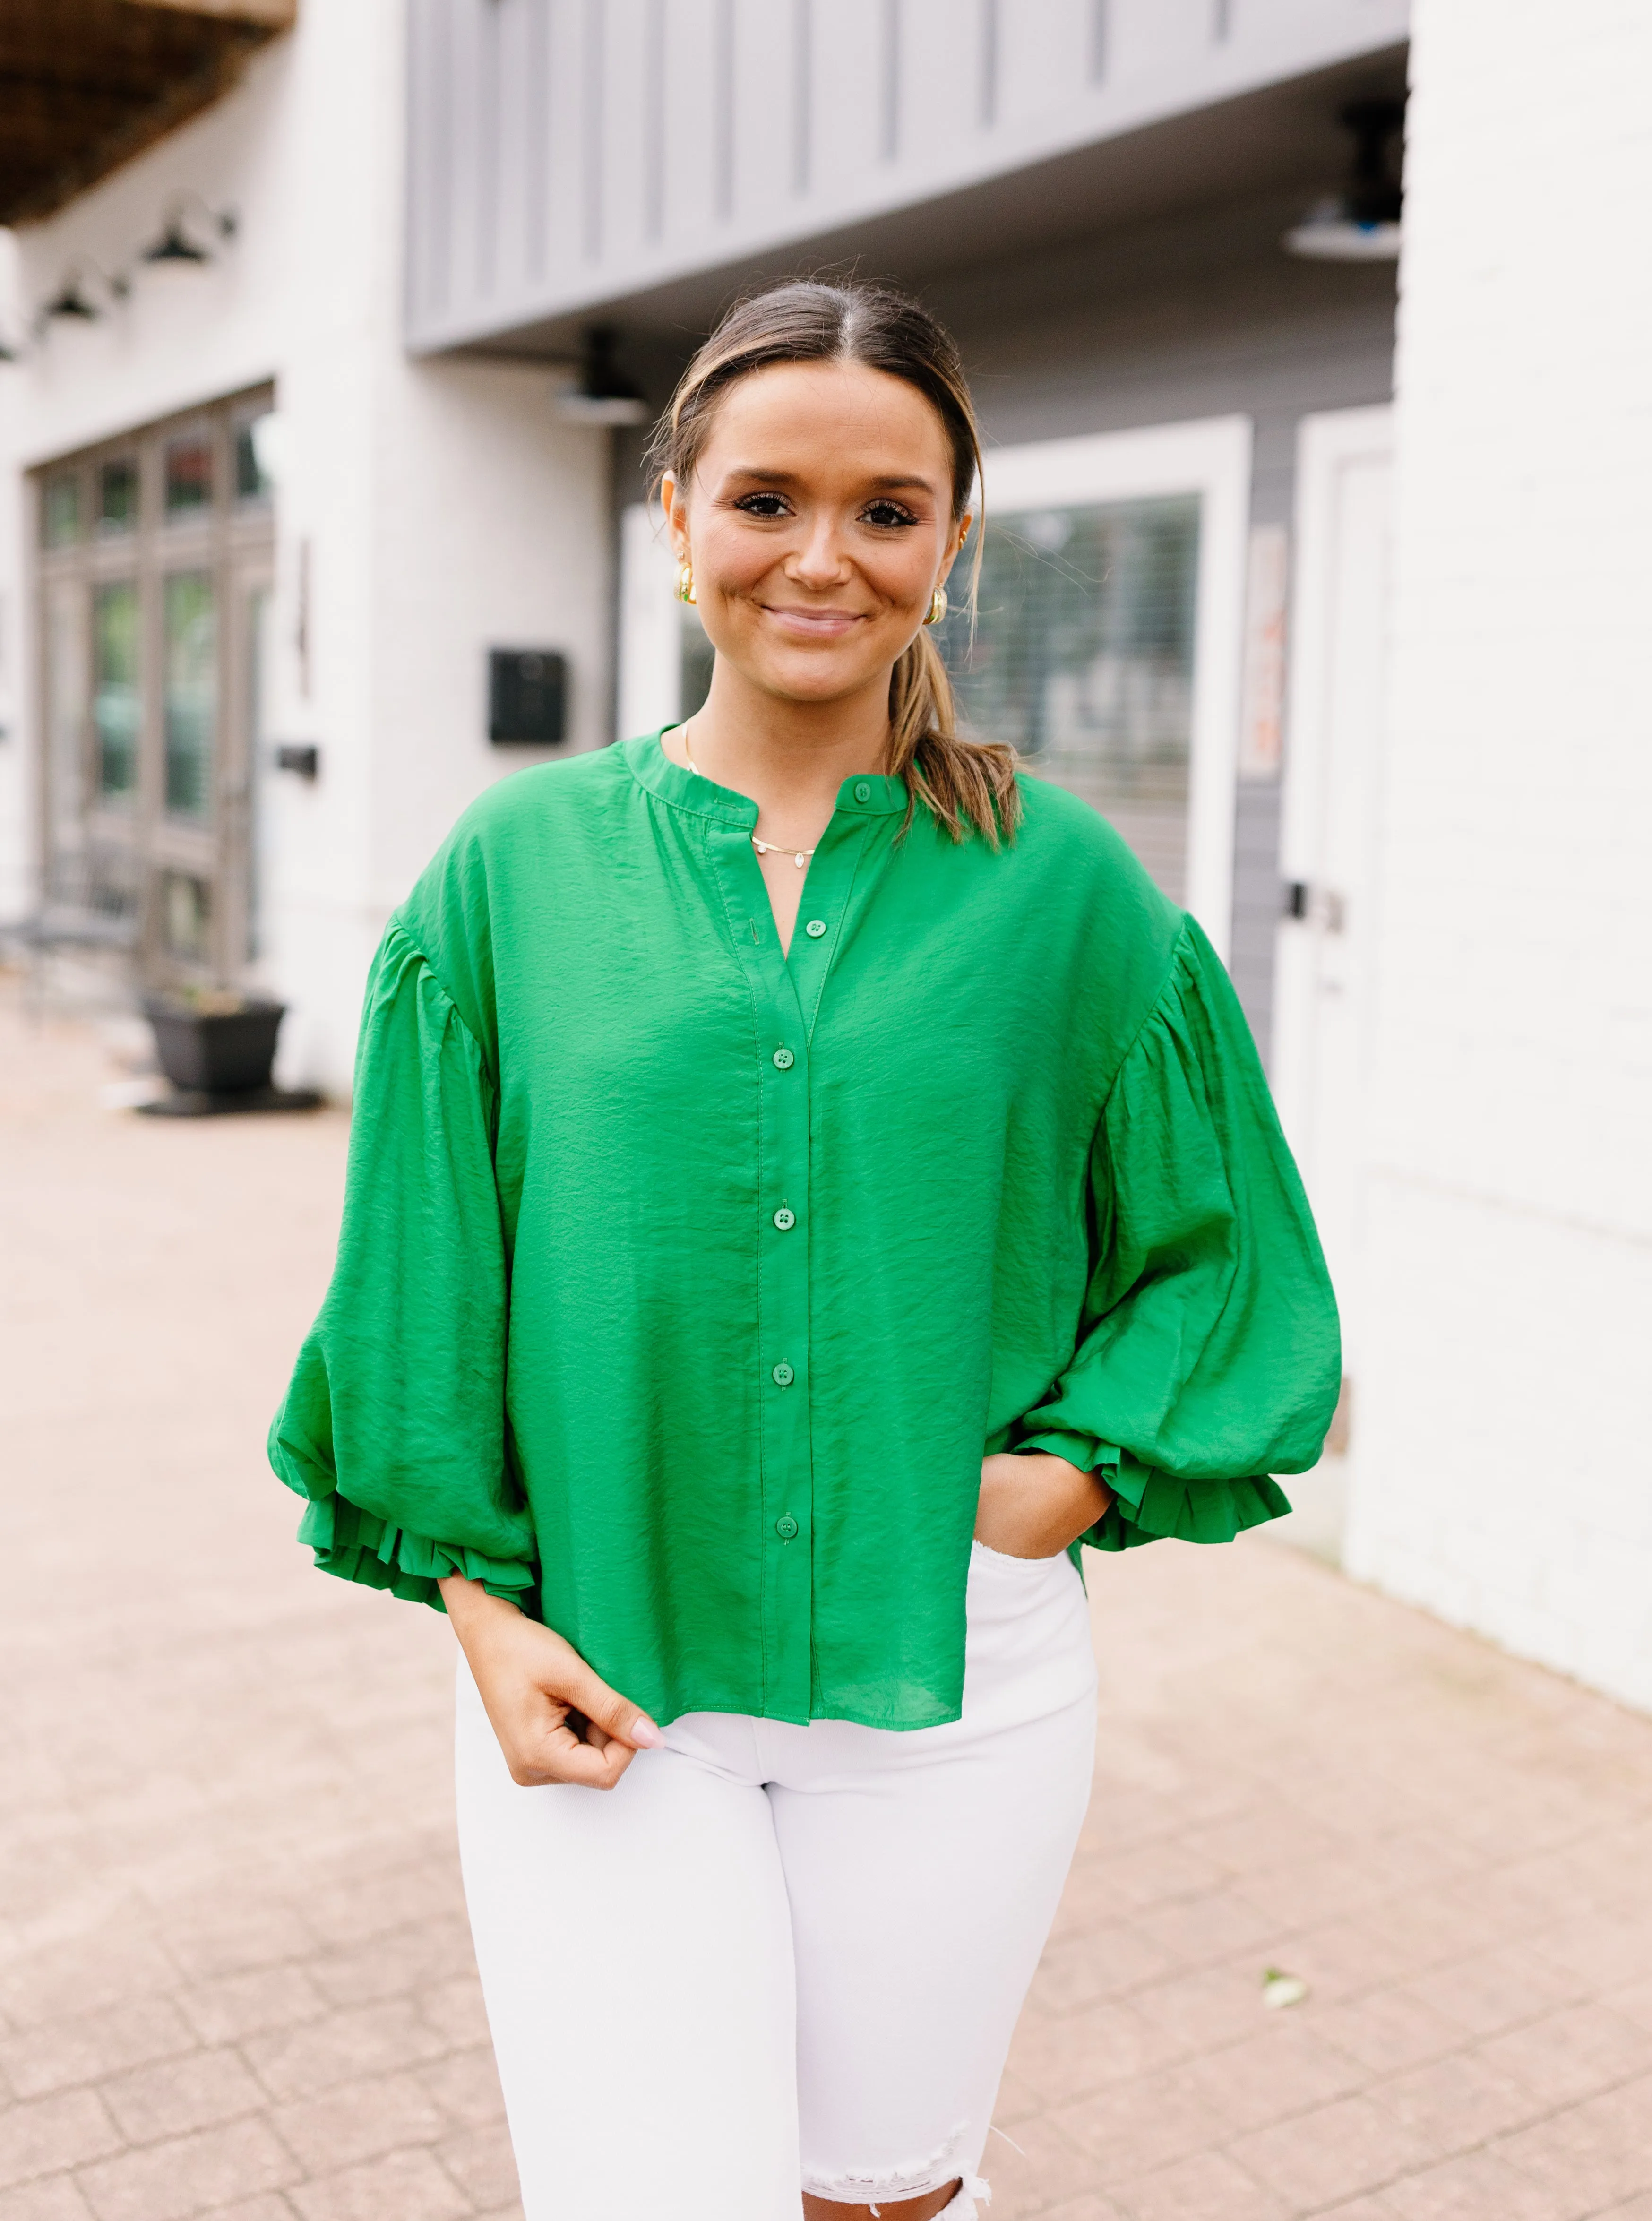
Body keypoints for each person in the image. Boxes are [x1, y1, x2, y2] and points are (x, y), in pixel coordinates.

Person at [269, 279, 1340, 2221]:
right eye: (764, 499)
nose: (819, 556)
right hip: (604, 1672)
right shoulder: (509, 876)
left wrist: (1059, 1484)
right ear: (674, 520)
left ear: (950, 544)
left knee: (882, 2195)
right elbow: (418, 1300)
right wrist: (483, 1621)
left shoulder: (1065, 885)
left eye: (885, 508)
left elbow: (1222, 1256)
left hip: (958, 1680)